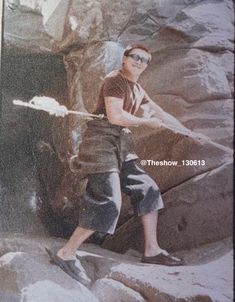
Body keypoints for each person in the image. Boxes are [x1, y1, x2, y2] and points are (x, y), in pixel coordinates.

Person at [46, 43, 190, 283]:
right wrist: (146, 123)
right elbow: (115, 116)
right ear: (125, 58)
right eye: (135, 57)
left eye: (144, 60)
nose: (139, 62)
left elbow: (160, 113)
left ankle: (152, 251)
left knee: (148, 189)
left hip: (121, 148)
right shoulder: (115, 80)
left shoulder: (137, 88)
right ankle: (66, 253)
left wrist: (186, 130)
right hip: (100, 145)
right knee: (108, 202)